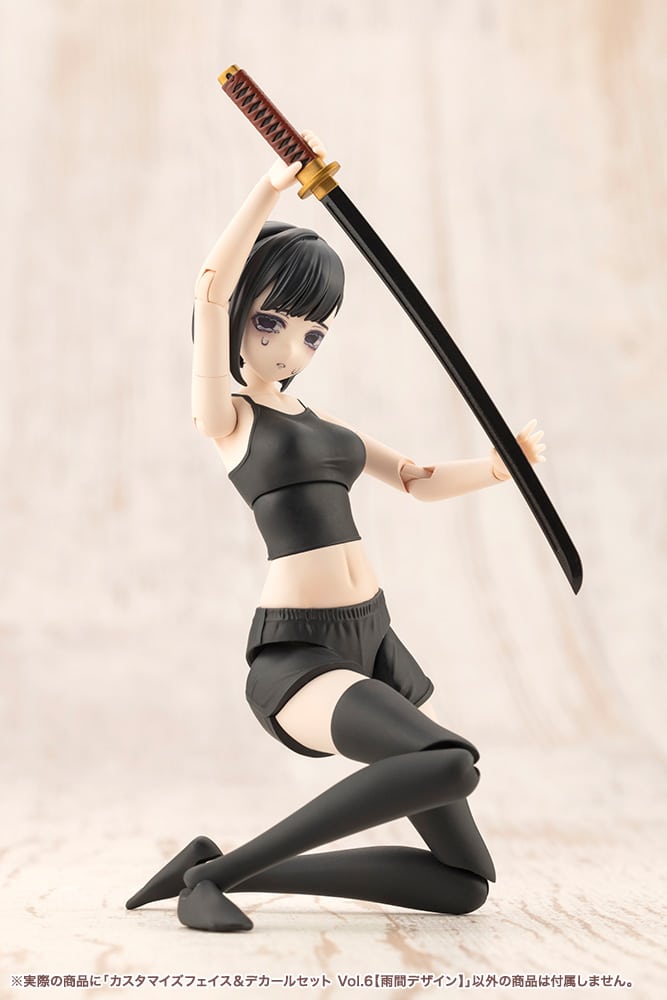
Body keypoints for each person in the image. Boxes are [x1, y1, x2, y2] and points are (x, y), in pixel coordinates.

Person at [126, 132, 546, 932]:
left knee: (463, 883)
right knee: (450, 762)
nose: (291, 348)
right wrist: (268, 188)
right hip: (301, 653)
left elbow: (416, 479)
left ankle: (210, 868)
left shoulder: (318, 421)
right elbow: (209, 291)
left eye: (312, 334)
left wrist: (502, 467)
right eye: (271, 323)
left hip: (372, 638)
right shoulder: (227, 418)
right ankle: (216, 879)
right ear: (238, 322)